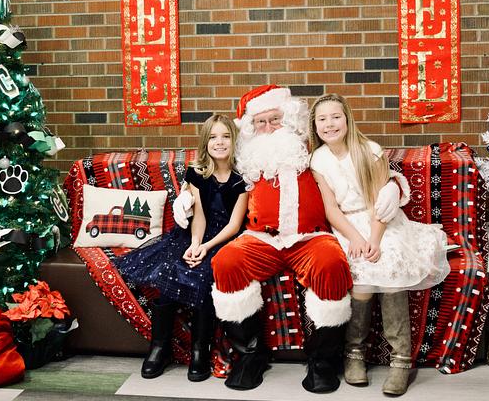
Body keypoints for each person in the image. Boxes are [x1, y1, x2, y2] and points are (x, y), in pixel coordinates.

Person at [173, 85, 405, 393]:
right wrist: (185, 195)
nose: (269, 127)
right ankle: (250, 356)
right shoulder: (245, 156)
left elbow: (355, 162)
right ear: (251, 127)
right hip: (260, 238)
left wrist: (393, 185)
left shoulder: (310, 149)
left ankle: (322, 361)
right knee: (227, 262)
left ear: (290, 119)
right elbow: (211, 170)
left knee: (331, 264)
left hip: (310, 237)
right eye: (261, 122)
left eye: (276, 119)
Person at [309, 94, 450, 396]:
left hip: (381, 220)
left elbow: (382, 202)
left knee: (386, 265)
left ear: (347, 119)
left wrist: (373, 239)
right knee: (359, 270)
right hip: (347, 225)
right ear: (315, 125)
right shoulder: (318, 160)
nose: (330, 124)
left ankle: (401, 360)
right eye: (322, 119)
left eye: (336, 116)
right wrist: (356, 238)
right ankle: (354, 353)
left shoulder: (369, 150)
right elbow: (331, 209)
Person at [114, 114, 248, 382]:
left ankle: (200, 350)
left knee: (205, 275)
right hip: (193, 233)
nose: (219, 142)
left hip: (224, 238)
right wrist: (196, 244)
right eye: (213, 137)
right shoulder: (197, 173)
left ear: (234, 141)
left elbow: (234, 225)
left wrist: (207, 247)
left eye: (225, 136)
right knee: (170, 269)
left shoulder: (241, 178)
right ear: (205, 142)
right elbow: (199, 217)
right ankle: (160, 347)